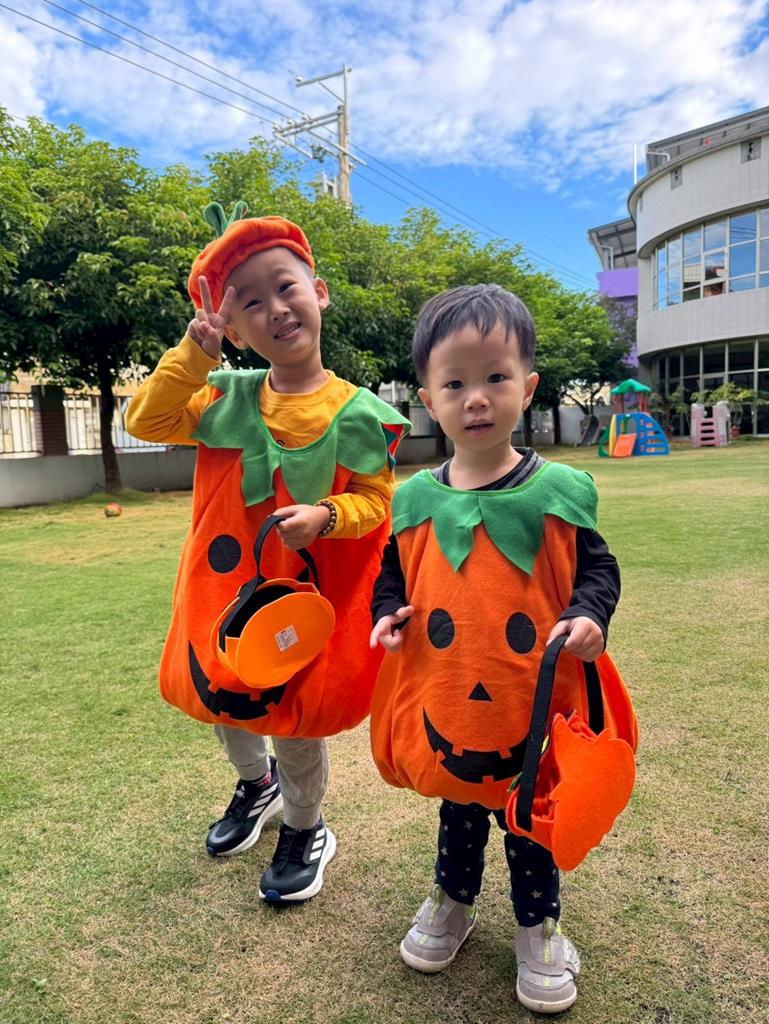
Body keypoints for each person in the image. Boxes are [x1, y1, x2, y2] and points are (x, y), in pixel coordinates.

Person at [127, 202, 408, 903]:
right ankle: (256, 787)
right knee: (225, 702)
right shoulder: (221, 395)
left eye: (285, 287)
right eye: (249, 303)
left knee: (293, 718)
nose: (275, 308)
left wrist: (327, 514)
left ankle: (306, 825)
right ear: (236, 330)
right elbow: (146, 419)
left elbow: (378, 502)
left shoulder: (360, 414)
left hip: (302, 601)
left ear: (319, 292)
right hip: (224, 592)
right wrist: (195, 354)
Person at [369, 284, 621, 1013]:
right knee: (458, 804)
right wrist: (387, 614)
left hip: (534, 697)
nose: (475, 398)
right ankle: (452, 899)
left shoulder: (557, 491)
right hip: (449, 696)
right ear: (428, 400)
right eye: (454, 384)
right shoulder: (414, 500)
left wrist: (589, 612)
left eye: (495, 377)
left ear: (527, 387)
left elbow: (597, 569)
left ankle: (538, 926)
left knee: (531, 812)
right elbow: (392, 574)